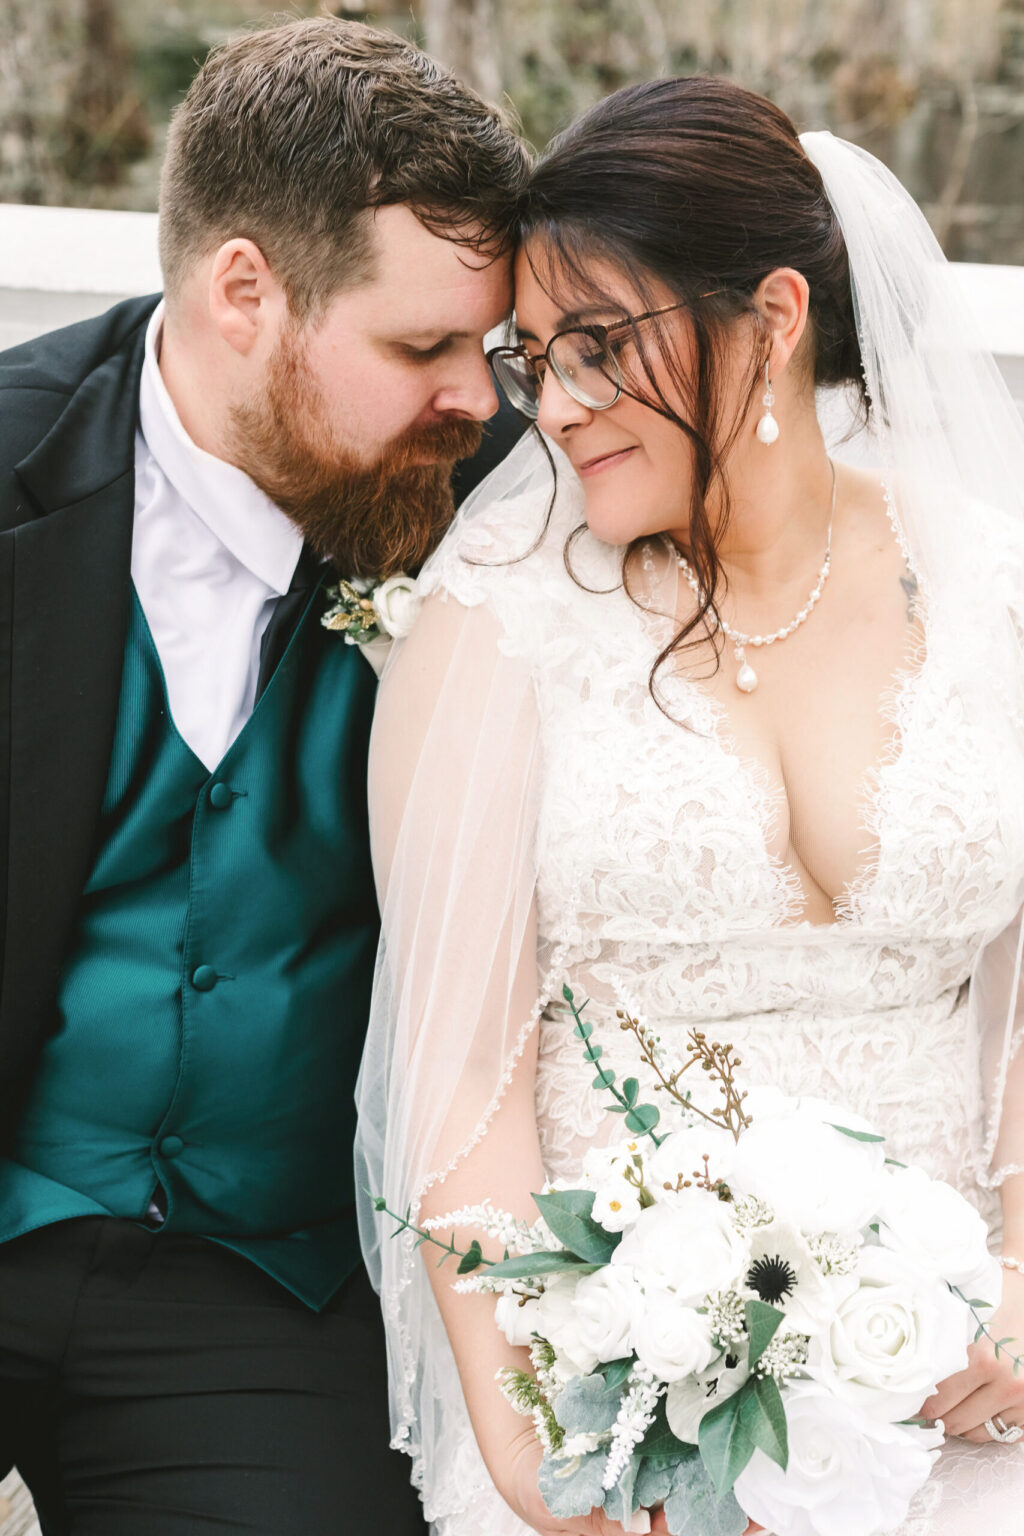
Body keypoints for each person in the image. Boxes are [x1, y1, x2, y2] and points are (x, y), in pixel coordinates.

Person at [357, 76, 1024, 1536]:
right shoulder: (499, 616)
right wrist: (542, 1445)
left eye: (601, 348)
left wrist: (1023, 1292)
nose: (561, 406)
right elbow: (459, 1074)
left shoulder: (994, 585)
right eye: (536, 359)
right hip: (608, 1393)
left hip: (960, 1383)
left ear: (775, 319)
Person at [0, 16, 527, 1534]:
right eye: (422, 347)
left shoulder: (493, 502)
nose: (477, 399)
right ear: (246, 292)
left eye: (484, 348)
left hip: (262, 1279)